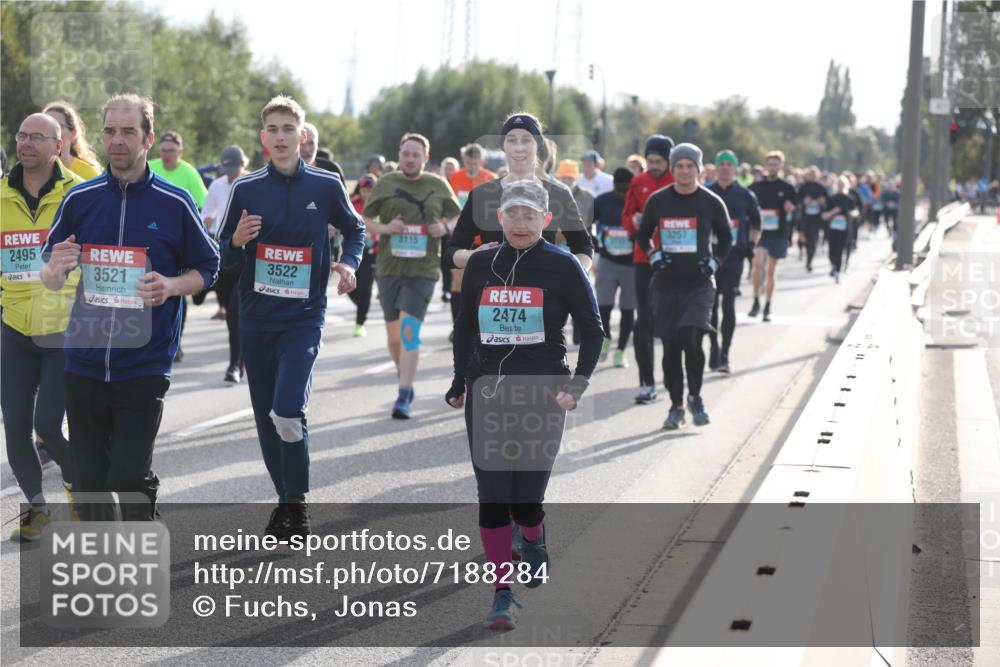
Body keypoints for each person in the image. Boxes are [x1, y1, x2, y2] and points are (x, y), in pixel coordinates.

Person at [40, 93, 220, 521]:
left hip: (144, 362)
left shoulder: (174, 203)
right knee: (88, 482)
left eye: (128, 131)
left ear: (147, 139)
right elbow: (49, 271)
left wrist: (172, 285)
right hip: (83, 361)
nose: (117, 140)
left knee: (126, 474)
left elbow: (209, 266)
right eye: (110, 131)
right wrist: (56, 268)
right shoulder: (80, 200)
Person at [445, 179, 602, 630]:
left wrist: (577, 384)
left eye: (529, 215)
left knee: (526, 499)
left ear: (546, 221)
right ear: (499, 218)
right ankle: (501, 593)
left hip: (542, 391)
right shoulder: (480, 263)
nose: (519, 222)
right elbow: (466, 328)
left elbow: (592, 331)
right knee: (493, 496)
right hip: (488, 391)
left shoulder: (564, 265)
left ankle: (533, 535)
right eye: (512, 214)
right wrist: (461, 381)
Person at [216, 95, 363, 536]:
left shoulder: (324, 186)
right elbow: (222, 258)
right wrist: (237, 242)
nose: (281, 138)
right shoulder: (246, 189)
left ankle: (296, 503)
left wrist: (350, 263)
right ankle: (286, 499)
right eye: (273, 130)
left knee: (287, 411)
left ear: (301, 136)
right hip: (256, 319)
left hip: (303, 317)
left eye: (288, 130)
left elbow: (355, 228)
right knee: (266, 418)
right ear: (263, 139)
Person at [2, 113, 83, 540]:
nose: (26, 143)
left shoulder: (79, 194)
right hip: (13, 324)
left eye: (37, 137)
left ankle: (80, 482)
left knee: (48, 426)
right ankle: (37, 509)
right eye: (21, 135)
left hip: (63, 326)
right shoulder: (0, 195)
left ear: (58, 145)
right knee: (14, 423)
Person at [362, 132, 460, 419]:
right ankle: (402, 370)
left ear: (425, 158)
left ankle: (404, 393)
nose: (410, 159)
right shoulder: (386, 183)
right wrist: (386, 228)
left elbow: (458, 216)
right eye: (406, 154)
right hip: (389, 268)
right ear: (400, 154)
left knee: (408, 330)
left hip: (423, 271)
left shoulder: (438, 185)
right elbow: (365, 220)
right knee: (394, 338)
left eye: (416, 155)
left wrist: (445, 227)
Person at [636, 143, 731, 429]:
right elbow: (643, 234)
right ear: (672, 168)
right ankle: (676, 406)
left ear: (698, 169)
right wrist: (653, 254)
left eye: (690, 166)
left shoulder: (711, 201)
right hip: (665, 285)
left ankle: (696, 397)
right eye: (679, 166)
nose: (685, 171)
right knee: (672, 348)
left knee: (692, 338)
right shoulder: (658, 200)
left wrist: (716, 261)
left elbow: (726, 237)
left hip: (699, 285)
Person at [444, 112, 594, 275]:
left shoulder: (558, 194)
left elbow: (583, 246)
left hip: (544, 293)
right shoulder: (482, 195)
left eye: (526, 140)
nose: (519, 147)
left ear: (538, 145)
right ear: (504, 146)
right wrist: (475, 256)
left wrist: (571, 274)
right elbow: (451, 253)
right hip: (493, 294)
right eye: (512, 140)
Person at [622, 134, 674, 404]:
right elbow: (626, 215)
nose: (654, 165)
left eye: (659, 161)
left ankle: (672, 376)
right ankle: (646, 383)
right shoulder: (638, 182)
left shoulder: (678, 181)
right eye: (650, 160)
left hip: (675, 262)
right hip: (644, 259)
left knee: (670, 321)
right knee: (644, 321)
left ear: (669, 160)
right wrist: (634, 222)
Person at [707, 150, 760, 374]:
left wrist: (751, 244)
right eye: (722, 164)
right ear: (716, 168)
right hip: (709, 258)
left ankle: (725, 355)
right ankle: (713, 348)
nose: (726, 167)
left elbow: (757, 222)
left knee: (728, 304)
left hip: (734, 258)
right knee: (711, 308)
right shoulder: (706, 193)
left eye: (730, 164)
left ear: (735, 168)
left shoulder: (745, 195)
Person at [203, 145, 250, 382]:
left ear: (244, 164)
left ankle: (234, 365)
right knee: (233, 316)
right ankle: (243, 359)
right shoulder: (217, 185)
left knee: (235, 312)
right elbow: (207, 215)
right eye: (228, 169)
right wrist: (208, 221)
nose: (232, 173)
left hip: (245, 255)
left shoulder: (253, 184)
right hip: (222, 253)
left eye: (236, 168)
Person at [446, 143, 498, 329]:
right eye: (468, 163)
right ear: (463, 161)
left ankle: (481, 324)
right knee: (458, 281)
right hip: (462, 237)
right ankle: (457, 326)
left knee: (484, 285)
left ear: (482, 161)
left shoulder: (490, 178)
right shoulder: (455, 177)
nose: (472, 167)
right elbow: (449, 205)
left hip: (486, 240)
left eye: (475, 163)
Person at [593, 167, 636, 367]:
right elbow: (584, 222)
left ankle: (620, 351)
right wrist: (594, 241)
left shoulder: (638, 202)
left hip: (632, 263)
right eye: (619, 190)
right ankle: (606, 337)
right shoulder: (602, 201)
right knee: (604, 305)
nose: (622, 194)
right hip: (607, 261)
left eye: (626, 190)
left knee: (628, 309)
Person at [748, 150, 797, 322]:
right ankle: (755, 301)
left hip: (778, 232)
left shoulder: (787, 188)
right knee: (758, 265)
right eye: (770, 164)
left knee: (771, 271)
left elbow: (794, 208)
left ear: (780, 166)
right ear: (766, 166)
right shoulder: (756, 186)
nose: (772, 167)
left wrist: (790, 207)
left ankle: (767, 305)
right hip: (760, 232)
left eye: (775, 164)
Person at [349, 174, 378, 337]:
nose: (366, 193)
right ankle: (363, 305)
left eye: (370, 190)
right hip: (353, 250)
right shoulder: (352, 204)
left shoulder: (381, 206)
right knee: (351, 287)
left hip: (373, 251)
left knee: (365, 288)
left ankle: (360, 324)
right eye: (364, 190)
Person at [43, 101, 102, 180]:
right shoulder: (30, 169)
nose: (51, 130)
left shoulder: (89, 174)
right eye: (46, 125)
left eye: (58, 126)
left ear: (73, 134)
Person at [148, 130, 208, 208]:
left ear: (180, 152)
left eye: (171, 151)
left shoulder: (190, 172)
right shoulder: (148, 167)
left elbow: (205, 204)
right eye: (163, 150)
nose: (167, 154)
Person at [821, 176, 857, 283]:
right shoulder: (831, 199)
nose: (840, 187)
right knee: (832, 251)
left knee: (841, 250)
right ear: (836, 186)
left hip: (845, 229)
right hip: (832, 229)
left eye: (842, 185)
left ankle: (837, 271)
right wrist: (834, 212)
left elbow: (856, 212)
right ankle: (833, 265)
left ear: (846, 186)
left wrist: (851, 214)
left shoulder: (849, 199)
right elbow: (824, 215)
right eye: (839, 185)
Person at [798, 166, 827, 273]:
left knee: (814, 238)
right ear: (808, 176)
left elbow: (827, 201)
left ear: (817, 176)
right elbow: (798, 199)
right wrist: (804, 201)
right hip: (805, 217)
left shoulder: (821, 188)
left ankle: (810, 259)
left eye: (814, 175)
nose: (812, 177)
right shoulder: (803, 187)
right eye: (811, 175)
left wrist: (822, 201)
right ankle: (808, 252)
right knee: (806, 237)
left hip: (817, 218)